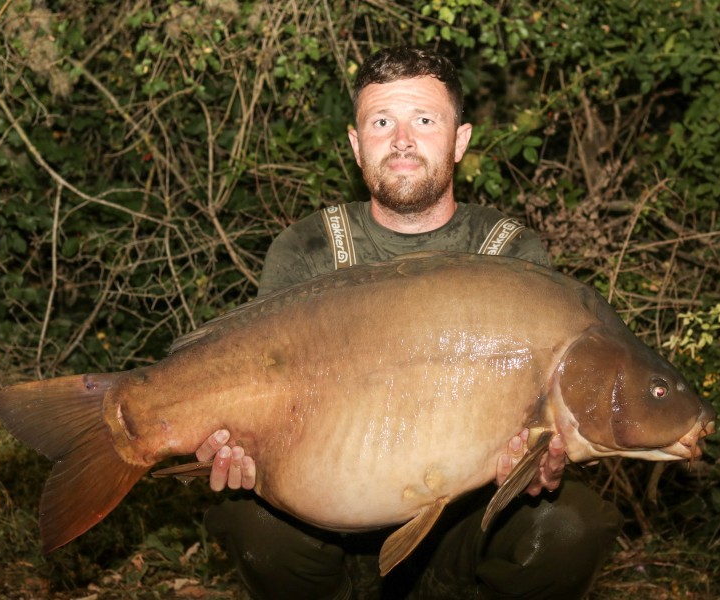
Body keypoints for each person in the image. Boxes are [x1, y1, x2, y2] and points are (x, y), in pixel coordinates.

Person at [193, 47, 621, 599]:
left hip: (467, 520)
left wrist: (541, 465)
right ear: (355, 144)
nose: (402, 140)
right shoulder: (308, 248)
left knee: (571, 524)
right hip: (330, 518)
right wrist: (238, 444)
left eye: (423, 120)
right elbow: (260, 392)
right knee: (251, 521)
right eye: (381, 122)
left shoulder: (509, 254)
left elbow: (543, 436)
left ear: (459, 140)